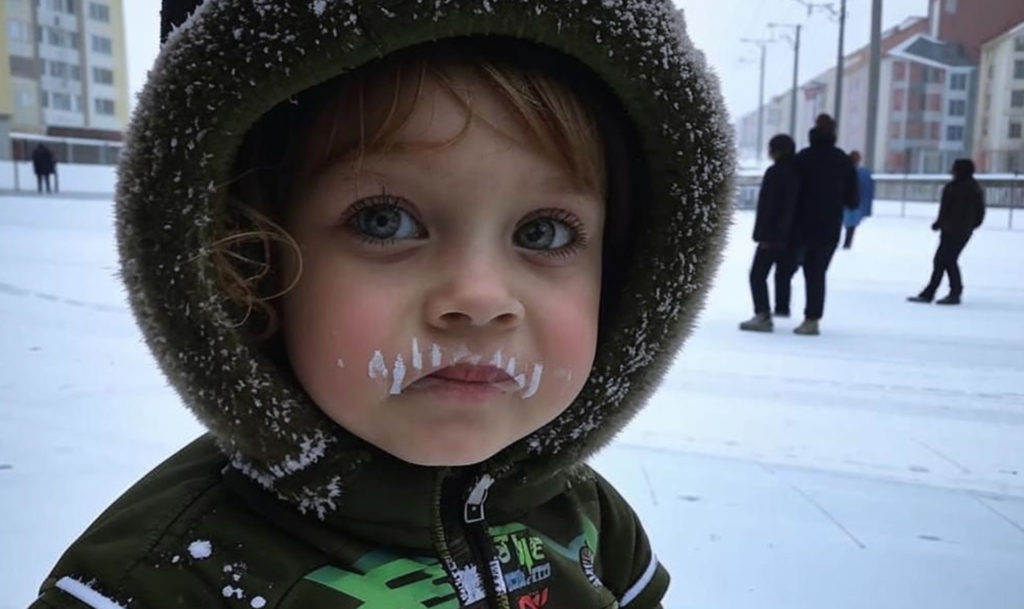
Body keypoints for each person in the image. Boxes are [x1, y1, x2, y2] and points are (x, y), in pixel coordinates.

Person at [29, 2, 734, 608]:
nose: (480, 298)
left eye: (542, 232)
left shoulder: (588, 519)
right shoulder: (161, 577)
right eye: (384, 221)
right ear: (251, 257)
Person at [791, 114, 858, 336]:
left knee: (795, 267)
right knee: (817, 272)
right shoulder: (842, 160)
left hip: (802, 224)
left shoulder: (803, 158)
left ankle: (775, 309)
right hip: (830, 225)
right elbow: (852, 200)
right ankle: (812, 318)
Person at [740, 134, 800, 332]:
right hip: (793, 235)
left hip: (773, 235)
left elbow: (770, 207)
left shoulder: (775, 173)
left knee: (757, 275)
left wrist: (764, 235)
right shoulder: (799, 173)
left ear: (776, 150)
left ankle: (763, 315)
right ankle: (781, 307)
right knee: (783, 272)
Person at [907, 158, 985, 305]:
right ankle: (934, 292)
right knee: (942, 261)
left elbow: (947, 210)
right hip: (957, 231)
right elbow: (979, 213)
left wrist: (942, 223)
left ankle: (950, 292)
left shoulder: (956, 187)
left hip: (954, 231)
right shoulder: (973, 188)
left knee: (946, 260)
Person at [842, 150, 874, 249]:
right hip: (856, 203)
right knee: (851, 226)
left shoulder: (843, 170)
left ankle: (844, 243)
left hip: (844, 203)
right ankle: (847, 243)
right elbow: (868, 190)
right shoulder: (864, 173)